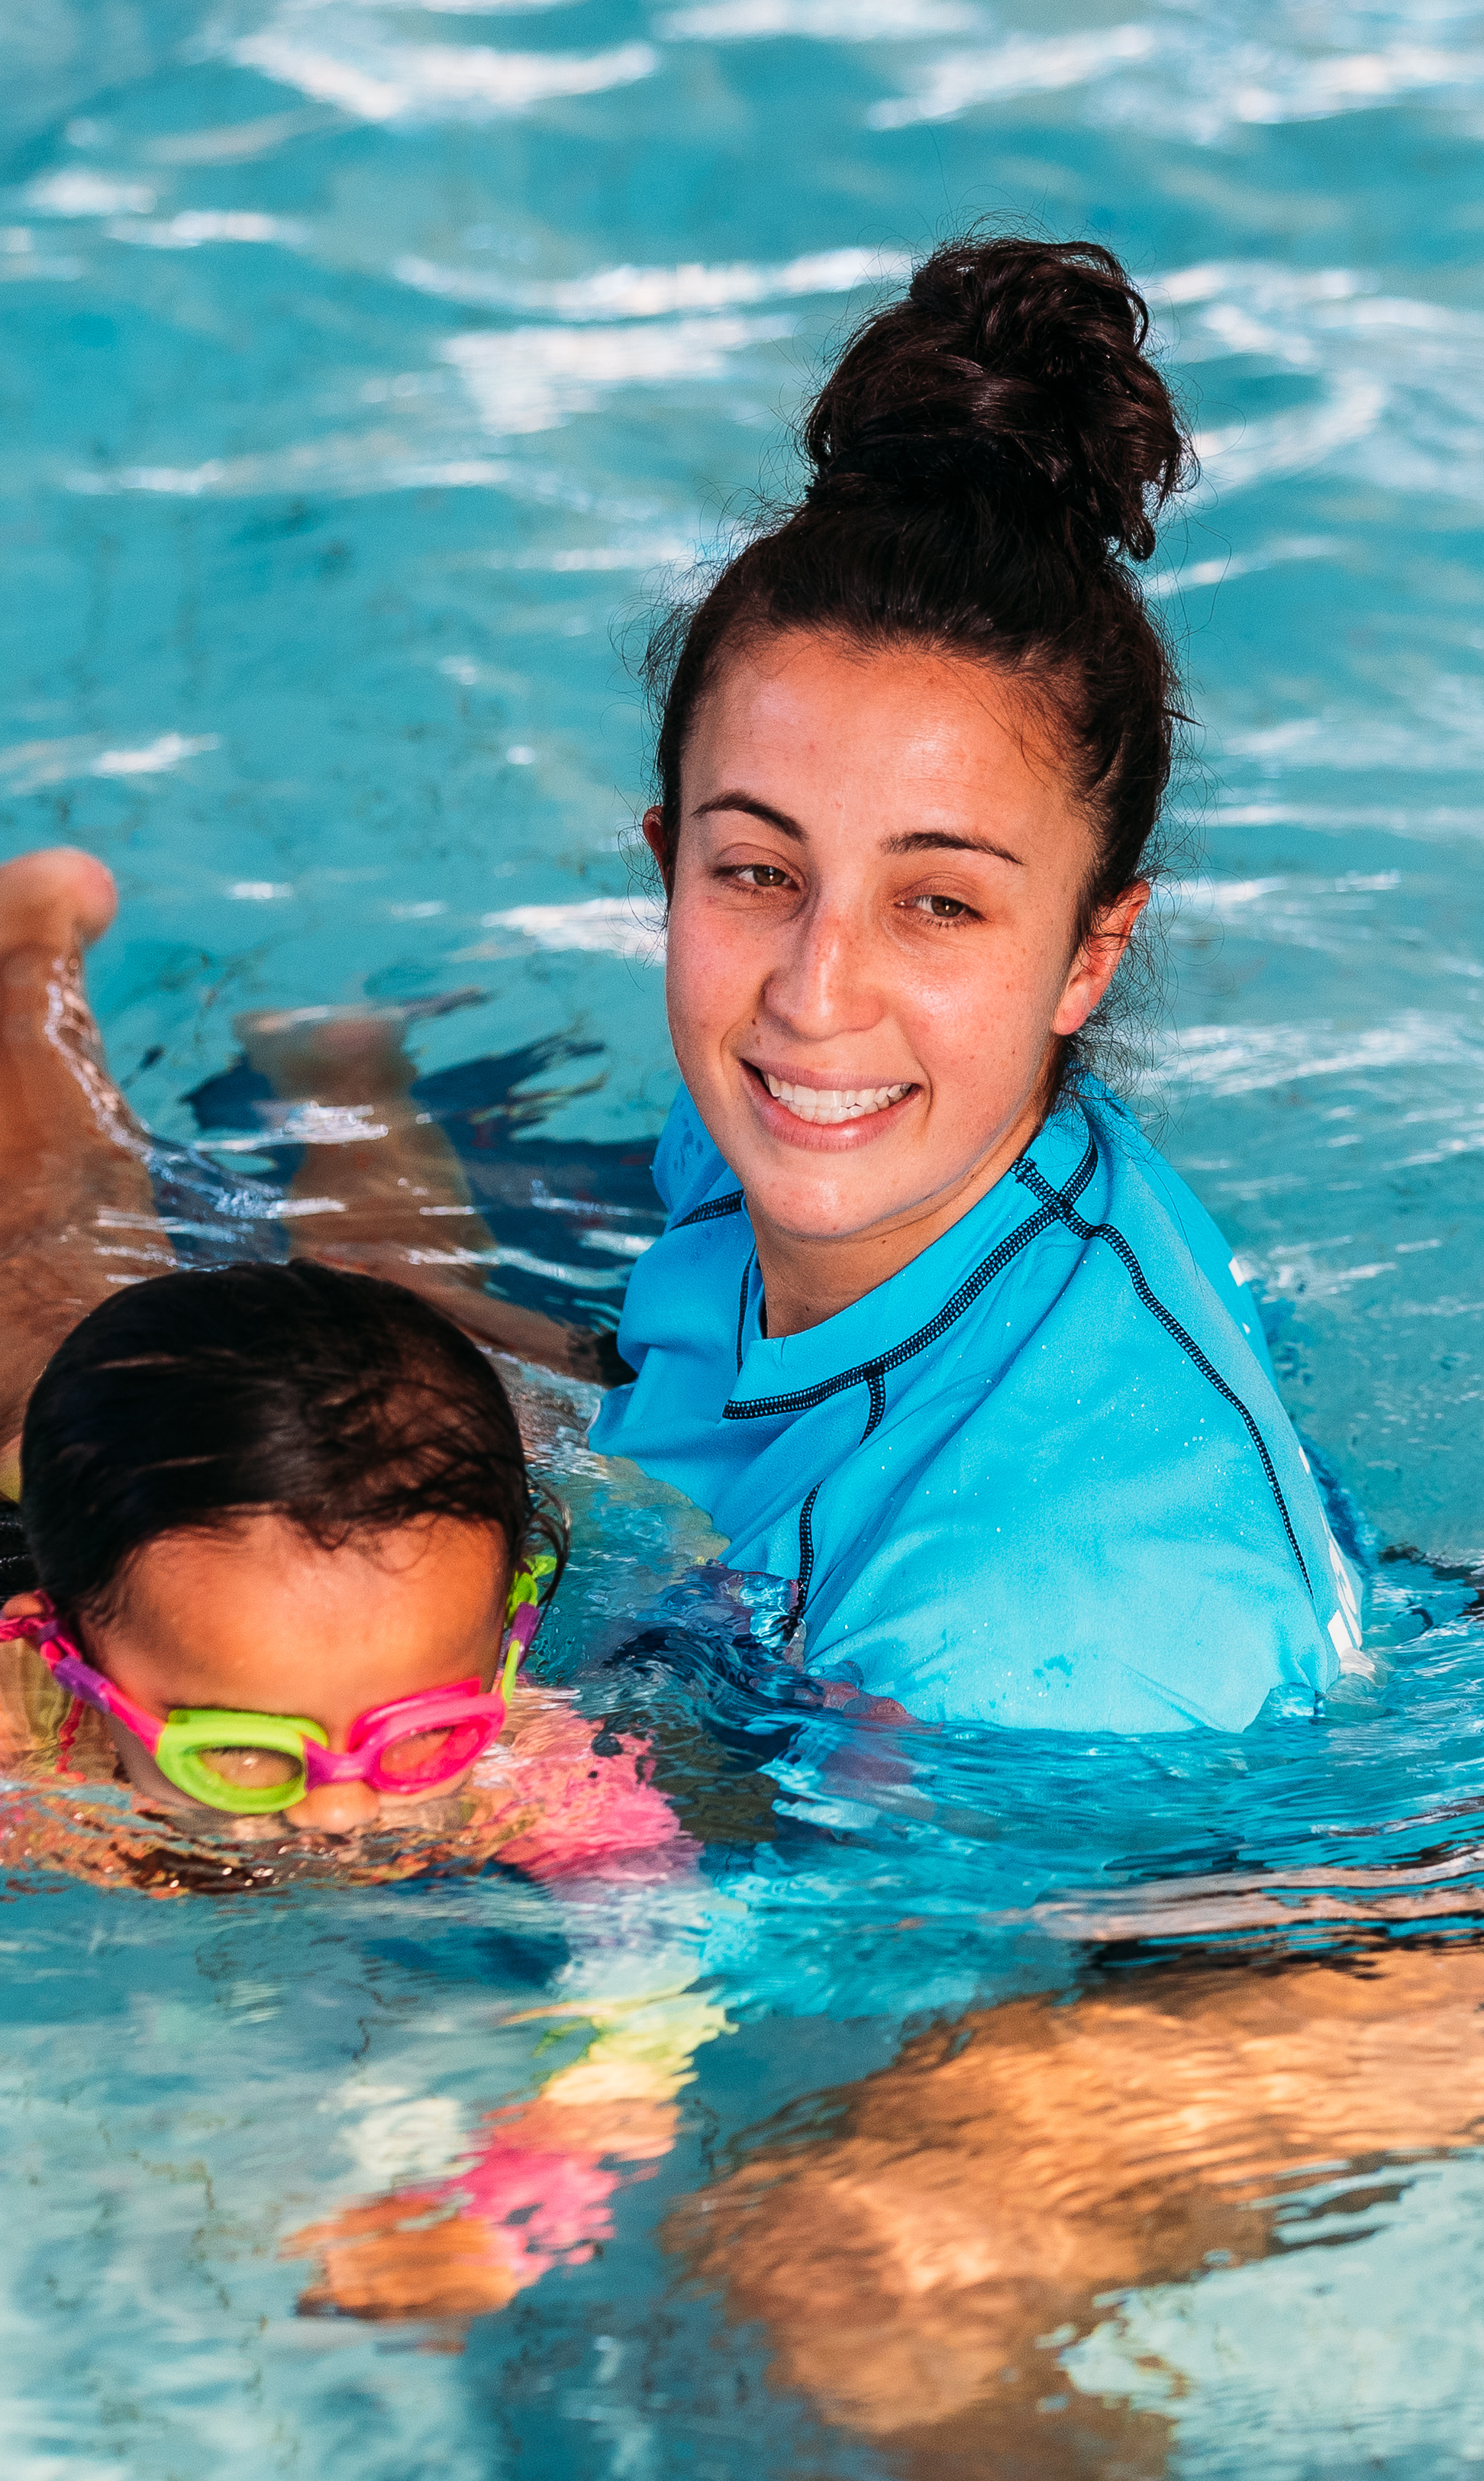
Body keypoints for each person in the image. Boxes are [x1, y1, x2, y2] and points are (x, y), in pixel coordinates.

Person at [0, 853, 712, 2289]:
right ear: (76, 1663)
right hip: (22, 1464)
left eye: (421, 1737)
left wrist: (525, 2191)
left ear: (502, 1641)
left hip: (346, 1478)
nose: (344, 1813)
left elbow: (659, 1967)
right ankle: (7, 936)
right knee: (16, 1272)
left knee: (404, 1297)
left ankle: (344, 1059)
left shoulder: (522, 1749)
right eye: (244, 1753)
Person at [589, 232, 1370, 1736]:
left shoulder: (1017, 1640)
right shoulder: (845, 1137)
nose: (815, 994)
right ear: (664, 862)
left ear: (1088, 950)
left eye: (936, 902)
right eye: (755, 871)